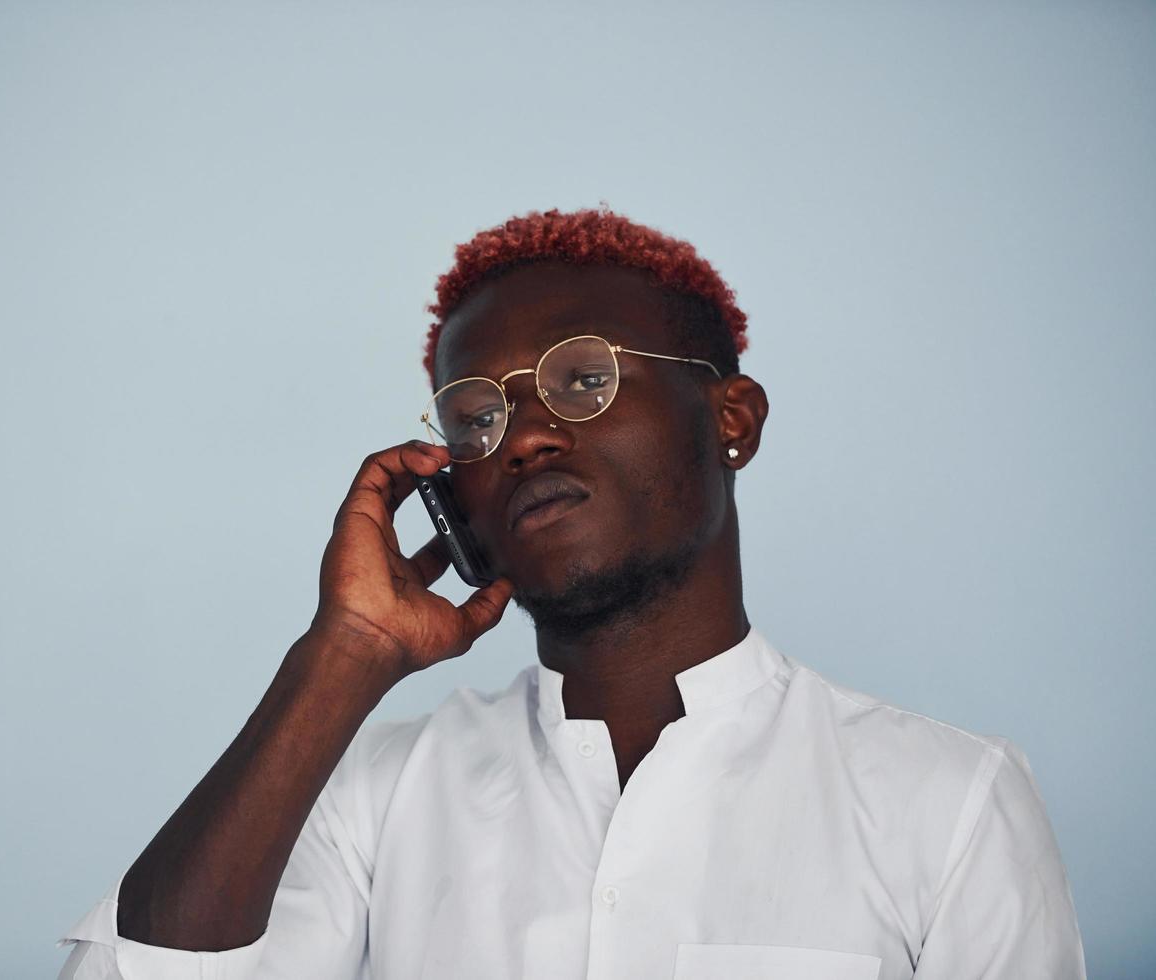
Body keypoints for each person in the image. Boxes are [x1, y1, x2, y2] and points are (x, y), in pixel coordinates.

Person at [54, 208, 1086, 979]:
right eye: (475, 421)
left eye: (582, 381)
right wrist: (345, 652)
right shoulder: (370, 794)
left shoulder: (950, 802)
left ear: (733, 418)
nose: (527, 435)